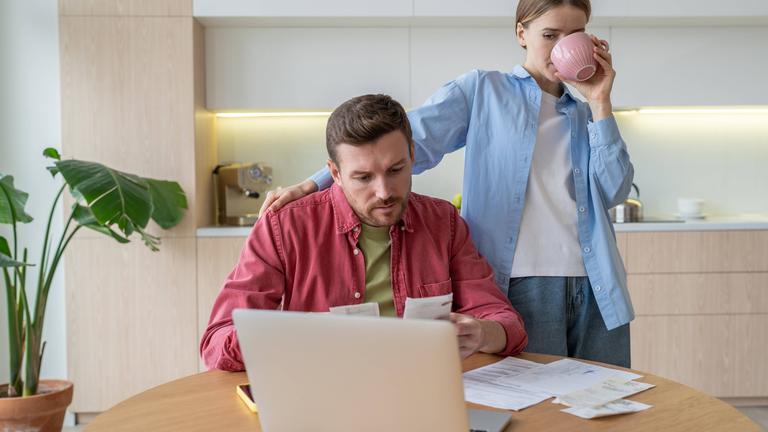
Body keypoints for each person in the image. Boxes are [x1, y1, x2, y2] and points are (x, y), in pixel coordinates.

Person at [258, 0, 634, 367]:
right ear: (522, 33)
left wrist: (601, 102)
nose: (561, 48)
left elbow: (613, 191)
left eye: (575, 35)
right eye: (550, 35)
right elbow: (408, 143)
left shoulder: (586, 110)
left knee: (609, 409)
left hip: (598, 282)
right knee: (542, 415)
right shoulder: (482, 90)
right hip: (522, 284)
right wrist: (314, 184)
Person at [201, 94, 527, 372]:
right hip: (320, 395)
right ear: (335, 173)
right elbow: (216, 341)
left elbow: (506, 322)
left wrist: (483, 332)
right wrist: (295, 336)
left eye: (396, 170)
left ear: (412, 155)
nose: (384, 192)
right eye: (363, 178)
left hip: (421, 392)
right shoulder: (283, 227)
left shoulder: (444, 222)